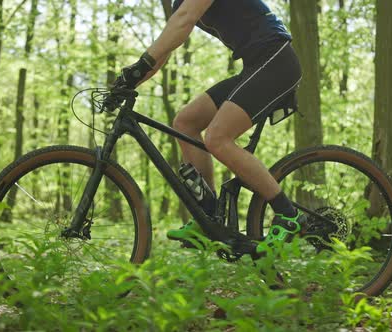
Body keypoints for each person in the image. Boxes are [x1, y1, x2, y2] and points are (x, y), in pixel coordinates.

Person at [111, 0, 306, 253]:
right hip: (255, 66)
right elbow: (167, 46)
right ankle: (209, 217)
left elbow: (185, 19)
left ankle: (288, 214)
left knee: (217, 138)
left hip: (276, 62)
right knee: (185, 122)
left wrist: (140, 65)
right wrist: (130, 82)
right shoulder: (178, 4)